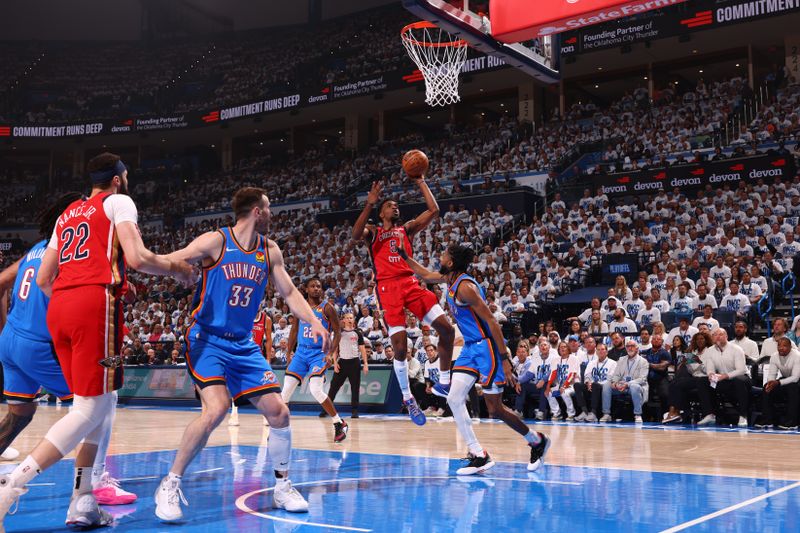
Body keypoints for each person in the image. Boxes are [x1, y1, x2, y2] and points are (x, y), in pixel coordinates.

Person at [0, 153, 195, 528]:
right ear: (118, 179)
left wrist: (73, 295)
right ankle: (13, 483)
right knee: (89, 409)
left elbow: (43, 279)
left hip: (59, 309)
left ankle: (82, 502)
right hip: (93, 307)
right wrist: (177, 267)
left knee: (102, 403)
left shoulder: (68, 213)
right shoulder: (118, 202)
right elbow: (137, 258)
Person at [153, 187, 329, 521]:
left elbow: (289, 291)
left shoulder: (269, 249)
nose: (273, 213)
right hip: (207, 338)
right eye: (269, 207)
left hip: (243, 344)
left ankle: (282, 487)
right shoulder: (216, 242)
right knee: (217, 408)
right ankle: (170, 483)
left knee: (279, 412)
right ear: (257, 211)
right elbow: (174, 258)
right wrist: (147, 265)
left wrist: (313, 321)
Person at [0, 193, 137, 507]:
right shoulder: (72, 255)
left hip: (10, 340)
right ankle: (94, 483)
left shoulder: (33, 252)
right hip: (38, 345)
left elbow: (1, 282)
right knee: (100, 400)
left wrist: (6, 327)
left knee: (19, 415)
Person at [398, 243, 550, 474]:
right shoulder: (448, 278)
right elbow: (425, 275)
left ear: (450, 262)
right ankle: (479, 453)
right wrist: (403, 256)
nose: (440, 256)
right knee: (454, 398)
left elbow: (491, 322)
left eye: (443, 254)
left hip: (486, 348)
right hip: (470, 348)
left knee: (495, 409)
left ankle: (536, 440)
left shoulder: (465, 287)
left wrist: (505, 359)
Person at [352, 177, 455, 425]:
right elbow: (356, 234)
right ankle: (409, 399)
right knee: (399, 349)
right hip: (387, 288)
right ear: (381, 212)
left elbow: (434, 210)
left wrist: (420, 181)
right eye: (390, 205)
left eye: (397, 205)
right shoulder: (374, 232)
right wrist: (369, 204)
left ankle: (443, 382)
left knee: (447, 329)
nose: (395, 207)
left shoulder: (405, 229)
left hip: (410, 282)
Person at [283, 278, 347, 442]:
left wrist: (331, 353)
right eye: (313, 286)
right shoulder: (299, 306)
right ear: (306, 289)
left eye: (319, 286)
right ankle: (279, 430)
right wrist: (289, 351)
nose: (316, 289)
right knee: (285, 392)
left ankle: (338, 423)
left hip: (319, 353)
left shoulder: (327, 308)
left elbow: (338, 332)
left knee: (315, 389)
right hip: (300, 353)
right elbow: (294, 330)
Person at [663, 332, 715, 425]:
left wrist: (697, 362)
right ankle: (675, 412)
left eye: (702, 339)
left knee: (680, 383)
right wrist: (690, 363)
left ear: (706, 340)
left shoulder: (710, 351)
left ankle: (674, 412)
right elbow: (692, 370)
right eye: (697, 339)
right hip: (695, 377)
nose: (699, 341)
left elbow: (709, 369)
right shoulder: (693, 352)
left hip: (706, 378)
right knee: (674, 383)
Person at [325, 312, 369, 419]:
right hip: (342, 363)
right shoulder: (339, 333)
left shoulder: (358, 333)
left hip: (354, 362)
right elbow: (335, 349)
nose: (350, 319)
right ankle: (326, 410)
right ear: (343, 320)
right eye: (347, 318)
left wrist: (365, 363)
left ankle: (354, 411)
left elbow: (362, 349)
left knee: (355, 388)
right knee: (333, 387)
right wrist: (335, 363)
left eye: (351, 318)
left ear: (354, 320)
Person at [705, 329, 750, 428]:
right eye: (715, 335)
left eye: (720, 334)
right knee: (703, 381)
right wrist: (711, 375)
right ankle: (711, 414)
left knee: (738, 380)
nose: (718, 336)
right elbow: (710, 368)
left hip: (741, 378)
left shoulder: (736, 349)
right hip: (723, 379)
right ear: (712, 337)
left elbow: (741, 370)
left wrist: (725, 376)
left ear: (726, 336)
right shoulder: (710, 351)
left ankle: (743, 416)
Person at [601, 339, 649, 424]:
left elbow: (642, 379)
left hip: (636, 386)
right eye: (628, 346)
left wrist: (627, 384)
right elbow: (616, 374)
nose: (630, 348)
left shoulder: (643, 361)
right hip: (621, 385)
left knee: (634, 386)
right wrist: (614, 383)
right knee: (606, 385)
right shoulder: (621, 359)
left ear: (637, 349)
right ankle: (606, 414)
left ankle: (638, 414)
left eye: (632, 346)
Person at [755, 338, 800, 430]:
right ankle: (767, 420)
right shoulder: (774, 356)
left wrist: (778, 382)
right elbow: (772, 374)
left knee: (793, 388)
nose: (781, 348)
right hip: (786, 381)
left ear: (790, 347)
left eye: (784, 346)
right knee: (767, 388)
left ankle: (792, 422)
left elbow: (795, 378)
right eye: (779, 345)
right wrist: (770, 383)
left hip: (797, 381)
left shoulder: (797, 356)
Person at [574, 344, 616, 422]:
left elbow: (611, 378)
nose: (600, 351)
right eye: (598, 349)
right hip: (591, 385)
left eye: (603, 349)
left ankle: (593, 413)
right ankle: (585, 411)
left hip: (603, 386)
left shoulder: (613, 363)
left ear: (607, 352)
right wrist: (587, 382)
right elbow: (587, 374)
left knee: (595, 385)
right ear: (596, 352)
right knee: (577, 385)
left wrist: (593, 384)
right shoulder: (592, 363)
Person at [545, 342, 579, 421]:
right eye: (560, 347)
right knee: (548, 393)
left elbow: (572, 374)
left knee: (564, 392)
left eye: (564, 347)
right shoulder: (556, 360)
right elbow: (553, 374)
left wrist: (564, 386)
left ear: (568, 349)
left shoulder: (574, 358)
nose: (562, 348)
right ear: (558, 350)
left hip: (572, 385)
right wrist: (548, 386)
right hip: (559, 386)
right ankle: (557, 413)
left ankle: (571, 414)